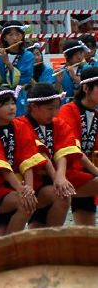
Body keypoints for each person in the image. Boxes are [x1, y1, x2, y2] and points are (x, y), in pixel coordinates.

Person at [0, 87, 46, 236]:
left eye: (13, 102)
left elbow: (28, 158)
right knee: (25, 203)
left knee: (32, 200)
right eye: (5, 104)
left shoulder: (20, 125)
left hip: (18, 184)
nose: (12, 107)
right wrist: (22, 191)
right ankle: (11, 248)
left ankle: (14, 243)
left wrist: (29, 188)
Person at [20, 83, 89, 228]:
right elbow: (38, 155)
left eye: (57, 108)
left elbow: (65, 150)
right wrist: (56, 177)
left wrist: (60, 176)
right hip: (31, 181)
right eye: (50, 109)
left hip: (58, 177)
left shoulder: (58, 123)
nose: (54, 113)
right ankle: (51, 241)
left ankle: (52, 241)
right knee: (36, 231)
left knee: (64, 194)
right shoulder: (20, 124)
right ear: (34, 107)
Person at [56, 66, 98, 225]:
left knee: (86, 231)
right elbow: (70, 149)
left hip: (86, 172)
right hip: (67, 171)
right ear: (86, 88)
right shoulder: (68, 110)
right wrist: (96, 171)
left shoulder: (95, 114)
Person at [0, 21, 33, 116]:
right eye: (10, 35)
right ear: (5, 38)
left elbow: (24, 78)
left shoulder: (28, 55)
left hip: (21, 96)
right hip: (3, 96)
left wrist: (7, 63)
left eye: (18, 34)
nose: (15, 38)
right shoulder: (0, 56)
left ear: (22, 36)